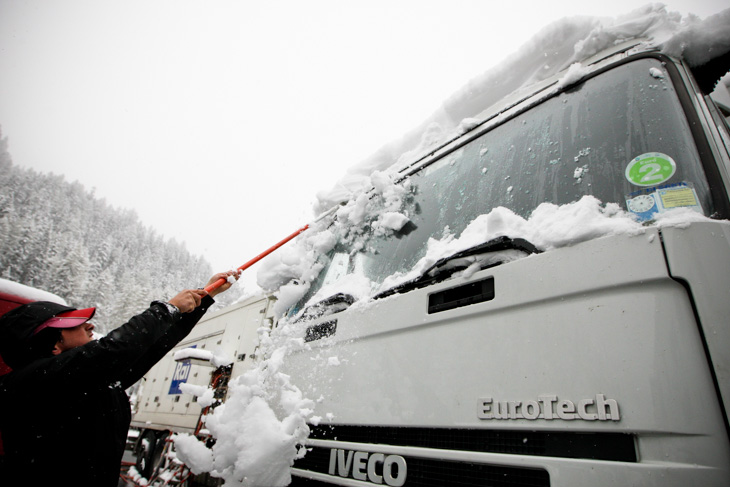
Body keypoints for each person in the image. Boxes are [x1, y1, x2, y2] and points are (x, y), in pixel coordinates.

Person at [0, 270, 239, 487]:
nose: (90, 325)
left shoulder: (91, 383)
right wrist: (168, 308)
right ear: (52, 343)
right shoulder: (32, 382)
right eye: (76, 322)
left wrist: (204, 297)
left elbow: (150, 347)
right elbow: (114, 350)